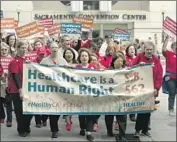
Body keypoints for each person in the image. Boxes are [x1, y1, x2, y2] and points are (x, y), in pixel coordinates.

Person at [133, 41, 163, 137]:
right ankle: (138, 130)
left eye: (151, 49)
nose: (149, 51)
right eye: (147, 49)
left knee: (148, 110)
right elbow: (132, 68)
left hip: (151, 89)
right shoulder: (139, 57)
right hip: (140, 88)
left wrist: (157, 88)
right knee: (141, 110)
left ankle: (145, 130)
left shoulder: (156, 60)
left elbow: (159, 75)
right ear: (144, 49)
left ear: (153, 50)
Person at [40, 42, 68, 138]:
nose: (55, 49)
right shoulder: (44, 61)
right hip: (49, 90)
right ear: (49, 49)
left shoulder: (63, 61)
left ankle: (52, 124)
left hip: (60, 89)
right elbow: (39, 73)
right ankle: (54, 130)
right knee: (52, 110)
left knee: (58, 110)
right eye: (53, 47)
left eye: (56, 47)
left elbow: (68, 73)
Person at [8, 40, 33, 137]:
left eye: (25, 47)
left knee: (29, 110)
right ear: (17, 48)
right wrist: (20, 89)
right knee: (19, 111)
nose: (24, 49)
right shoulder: (14, 61)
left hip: (27, 88)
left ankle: (26, 125)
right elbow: (15, 76)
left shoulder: (27, 60)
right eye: (22, 47)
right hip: (16, 89)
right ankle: (21, 129)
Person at [105, 52, 128, 141]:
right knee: (109, 116)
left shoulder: (126, 71)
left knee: (122, 116)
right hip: (110, 98)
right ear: (113, 62)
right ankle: (109, 131)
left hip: (121, 98)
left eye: (121, 61)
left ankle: (122, 134)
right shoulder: (108, 72)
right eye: (118, 61)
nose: (120, 63)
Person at [76, 48, 97, 142]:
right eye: (82, 56)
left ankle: (89, 132)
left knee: (90, 113)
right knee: (81, 114)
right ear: (79, 58)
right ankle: (82, 128)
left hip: (91, 94)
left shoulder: (93, 67)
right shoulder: (76, 67)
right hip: (80, 94)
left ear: (88, 57)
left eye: (86, 56)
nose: (84, 57)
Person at [32, 47, 48, 128]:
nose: (42, 56)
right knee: (37, 104)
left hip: (46, 86)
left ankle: (44, 119)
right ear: (37, 54)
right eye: (40, 54)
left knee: (46, 103)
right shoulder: (34, 61)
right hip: (36, 85)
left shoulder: (47, 61)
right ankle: (38, 121)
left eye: (43, 54)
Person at [62, 48, 78, 131]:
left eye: (70, 53)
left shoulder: (77, 64)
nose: (68, 55)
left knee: (72, 104)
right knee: (67, 104)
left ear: (73, 55)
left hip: (75, 87)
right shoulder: (61, 64)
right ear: (64, 55)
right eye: (67, 53)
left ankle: (70, 118)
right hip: (64, 87)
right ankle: (68, 122)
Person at [162, 36, 176, 116]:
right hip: (170, 77)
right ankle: (171, 109)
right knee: (172, 93)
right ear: (172, 47)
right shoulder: (169, 54)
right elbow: (164, 49)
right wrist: (166, 39)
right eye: (175, 46)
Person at [0, 42, 13, 127]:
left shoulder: (11, 59)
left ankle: (9, 120)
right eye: (2, 50)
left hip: (9, 81)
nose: (4, 51)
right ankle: (2, 116)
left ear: (8, 50)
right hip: (0, 81)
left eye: (5, 50)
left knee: (8, 102)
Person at [125, 43, 137, 122]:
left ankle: (132, 115)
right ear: (127, 51)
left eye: (133, 49)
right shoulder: (125, 58)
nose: (132, 50)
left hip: (135, 81)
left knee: (134, 98)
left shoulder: (137, 58)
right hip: (127, 81)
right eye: (130, 49)